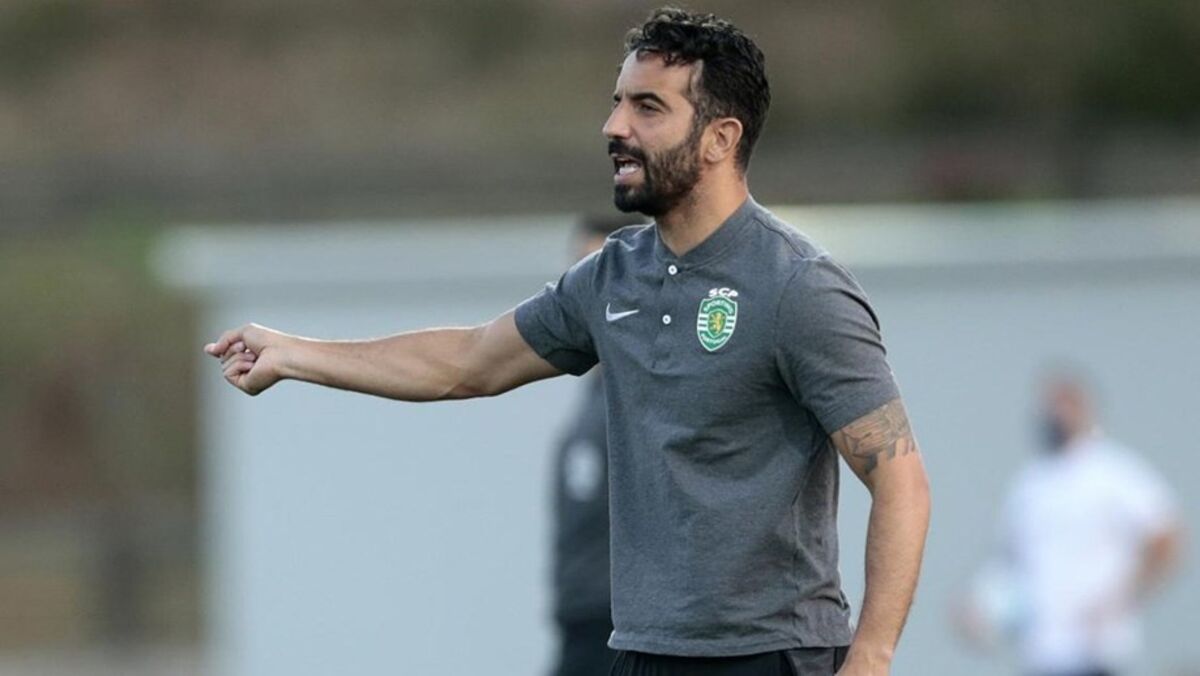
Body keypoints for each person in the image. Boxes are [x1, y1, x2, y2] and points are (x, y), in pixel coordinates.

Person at [204, 9, 931, 675]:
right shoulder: (612, 276)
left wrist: (869, 657)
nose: (615, 125)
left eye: (648, 107)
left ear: (720, 137)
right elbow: (468, 362)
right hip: (641, 652)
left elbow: (901, 483)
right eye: (617, 102)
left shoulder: (797, 287)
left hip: (771, 657)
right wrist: (296, 354)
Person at [964, 370, 1182, 676]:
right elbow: (1009, 563)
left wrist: (1124, 597)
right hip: (1041, 652)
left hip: (1097, 651)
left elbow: (1166, 536)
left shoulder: (1113, 472)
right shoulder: (1029, 485)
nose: (1056, 414)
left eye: (1065, 404)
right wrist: (980, 607)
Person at [550, 214, 645, 676]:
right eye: (579, 273)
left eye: (602, 273)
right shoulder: (596, 387)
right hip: (584, 620)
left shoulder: (651, 392)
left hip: (627, 626)